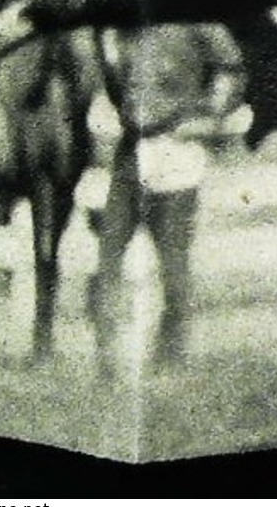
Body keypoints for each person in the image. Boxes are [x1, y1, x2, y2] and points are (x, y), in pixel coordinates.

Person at [88, 22, 246, 375]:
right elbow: (115, 89)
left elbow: (230, 72)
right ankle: (107, 359)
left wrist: (209, 119)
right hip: (130, 153)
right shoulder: (125, 24)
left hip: (178, 153)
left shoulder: (199, 20)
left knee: (173, 266)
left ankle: (170, 360)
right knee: (108, 259)